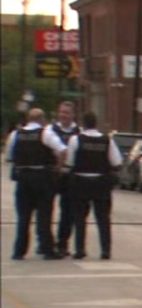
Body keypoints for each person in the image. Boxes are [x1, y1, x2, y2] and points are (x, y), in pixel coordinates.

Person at [7, 108, 64, 260]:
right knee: (44, 215)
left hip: (23, 177)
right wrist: (58, 168)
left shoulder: (16, 134)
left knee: (23, 217)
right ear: (41, 119)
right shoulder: (46, 133)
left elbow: (9, 155)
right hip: (42, 177)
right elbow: (62, 149)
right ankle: (47, 249)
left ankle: (19, 251)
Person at [65, 112, 121, 260]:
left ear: (83, 123)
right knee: (103, 219)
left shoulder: (75, 139)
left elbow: (69, 162)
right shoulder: (107, 140)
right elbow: (116, 162)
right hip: (101, 184)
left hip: (80, 183)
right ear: (96, 123)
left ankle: (80, 249)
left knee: (79, 219)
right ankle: (105, 250)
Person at [44, 101, 79, 255]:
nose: (64, 115)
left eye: (67, 113)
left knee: (68, 212)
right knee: (46, 210)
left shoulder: (79, 132)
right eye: (62, 112)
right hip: (52, 175)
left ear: (73, 115)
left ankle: (62, 243)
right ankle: (46, 243)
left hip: (69, 176)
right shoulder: (50, 130)